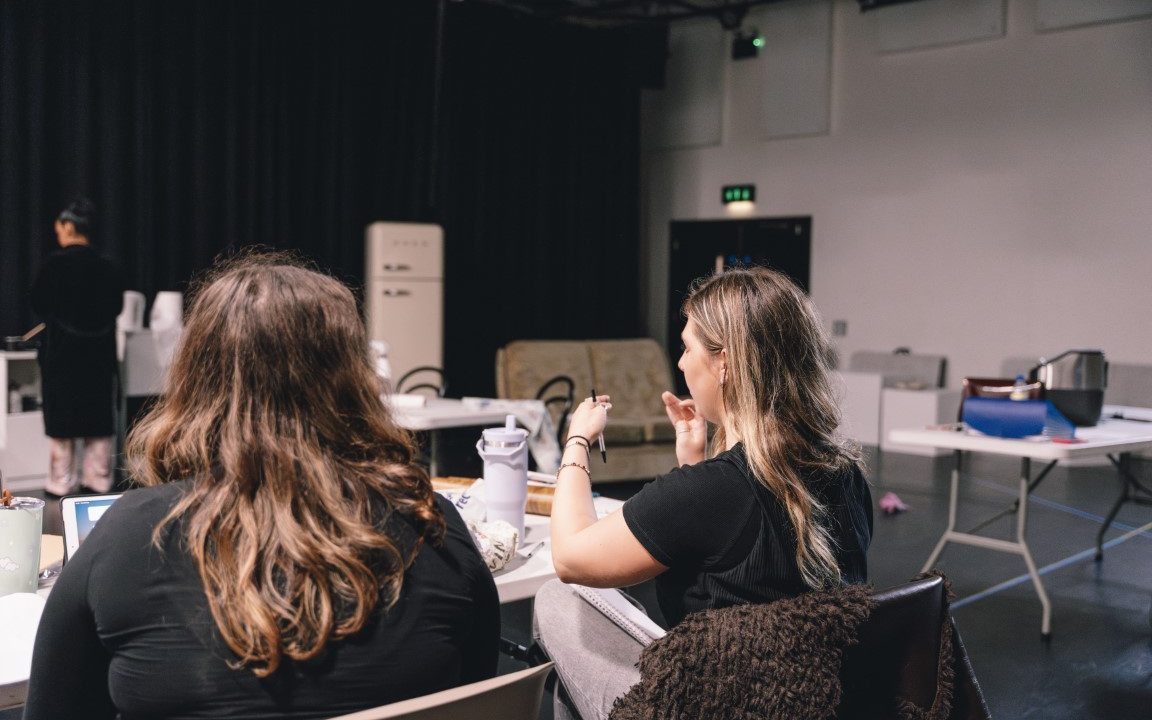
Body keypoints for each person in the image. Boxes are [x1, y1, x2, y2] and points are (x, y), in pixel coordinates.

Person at [24, 254, 500, 719]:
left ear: (195, 378)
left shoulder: (130, 535)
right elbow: (481, 693)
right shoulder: (432, 527)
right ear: (354, 381)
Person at [536, 266, 874, 720]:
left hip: (711, 704)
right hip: (811, 701)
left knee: (556, 599)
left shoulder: (710, 491)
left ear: (725, 363)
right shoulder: (845, 473)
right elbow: (738, 564)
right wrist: (694, 462)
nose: (679, 363)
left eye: (687, 347)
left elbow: (571, 558)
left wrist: (576, 441)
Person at [30, 198, 125, 496]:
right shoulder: (108, 268)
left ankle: (61, 482)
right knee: (97, 420)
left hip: (62, 356)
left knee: (61, 422)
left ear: (69, 227)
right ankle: (98, 480)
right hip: (98, 357)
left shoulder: (53, 266)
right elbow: (117, 307)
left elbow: (38, 303)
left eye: (59, 227)